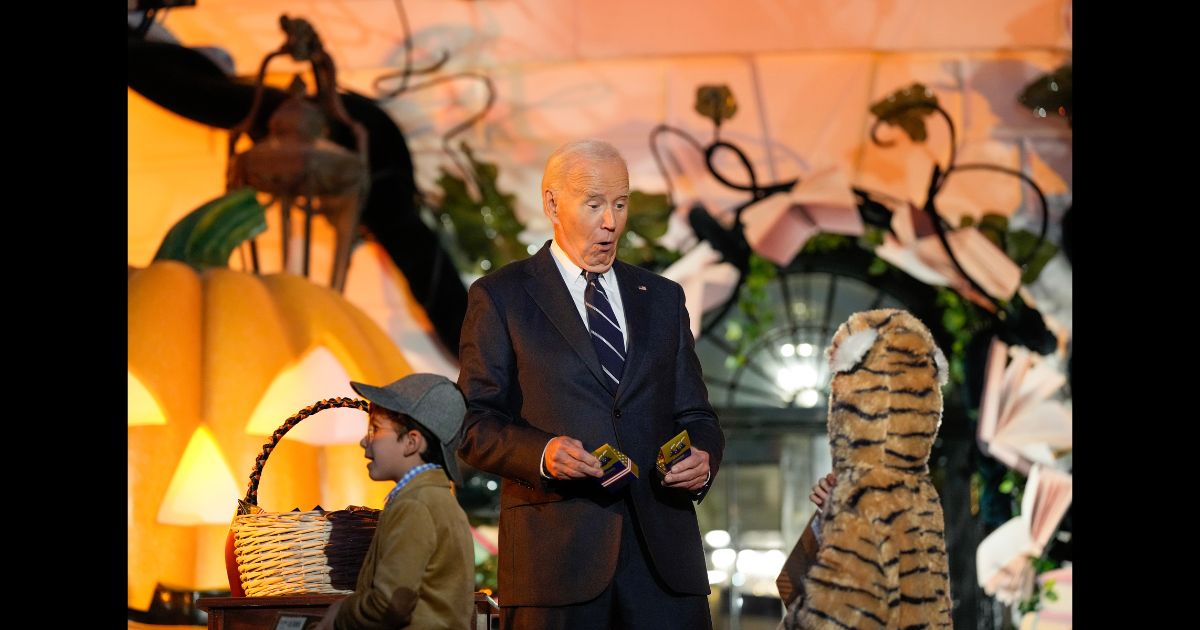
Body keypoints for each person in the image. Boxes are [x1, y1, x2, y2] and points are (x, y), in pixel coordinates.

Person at [456, 139, 725, 629]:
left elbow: (697, 416)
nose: (611, 222)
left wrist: (703, 458)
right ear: (552, 204)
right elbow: (474, 424)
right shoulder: (501, 297)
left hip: (663, 566)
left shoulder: (662, 298)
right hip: (556, 566)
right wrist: (542, 453)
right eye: (595, 204)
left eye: (621, 204)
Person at [316, 374, 475, 630]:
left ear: (412, 441)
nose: (364, 441)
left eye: (375, 429)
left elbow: (389, 604)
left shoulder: (416, 505)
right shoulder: (432, 499)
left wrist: (340, 613)